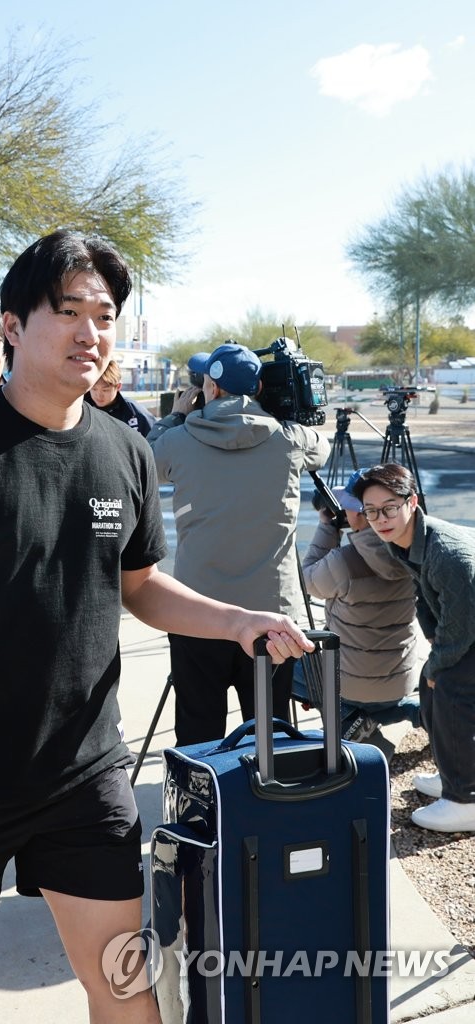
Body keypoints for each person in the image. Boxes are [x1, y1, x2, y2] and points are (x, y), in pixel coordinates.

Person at [0, 230, 314, 1024]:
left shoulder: (127, 451)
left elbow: (143, 587)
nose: (91, 332)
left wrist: (237, 621)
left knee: (122, 981)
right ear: (12, 326)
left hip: (84, 769)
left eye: (105, 315)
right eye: (68, 311)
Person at [149, 341, 329, 744]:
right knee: (270, 734)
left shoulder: (177, 441)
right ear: (259, 389)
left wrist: (174, 417)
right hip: (273, 617)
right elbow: (323, 446)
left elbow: (141, 461)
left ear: (210, 389)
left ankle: (202, 805)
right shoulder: (290, 438)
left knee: (198, 734)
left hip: (197, 613)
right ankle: (270, 803)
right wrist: (277, 413)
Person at [352, 462, 475, 832]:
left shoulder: (448, 554)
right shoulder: (403, 540)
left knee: (450, 688)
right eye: (371, 511)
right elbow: (424, 594)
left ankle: (466, 799)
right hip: (465, 623)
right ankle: (455, 773)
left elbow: (462, 626)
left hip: (470, 624)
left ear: (412, 501)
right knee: (431, 685)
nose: (380, 518)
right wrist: (433, 640)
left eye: (389, 507)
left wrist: (440, 663)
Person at [300, 468, 422, 730]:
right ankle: (410, 713)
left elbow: (306, 580)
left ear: (357, 513)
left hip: (350, 686)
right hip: (400, 680)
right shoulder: (417, 554)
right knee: (385, 700)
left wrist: (327, 527)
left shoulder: (343, 562)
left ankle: (351, 718)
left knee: (292, 666)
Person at [85, 359, 156, 436]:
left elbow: (153, 439)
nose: (98, 395)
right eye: (94, 389)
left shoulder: (134, 412)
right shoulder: (82, 409)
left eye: (105, 390)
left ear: (118, 386)